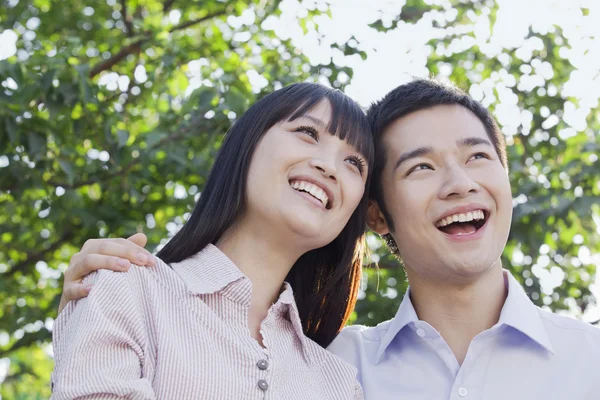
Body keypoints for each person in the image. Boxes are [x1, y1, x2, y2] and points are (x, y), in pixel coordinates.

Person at [58, 79, 600, 399]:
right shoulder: (347, 364)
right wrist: (100, 299)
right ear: (376, 216)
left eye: (353, 161)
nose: (459, 183)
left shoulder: (329, 373)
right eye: (420, 168)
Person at [50, 82, 374, 399]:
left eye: (353, 163)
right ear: (247, 143)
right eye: (308, 133)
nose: (329, 166)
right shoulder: (126, 287)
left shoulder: (340, 384)